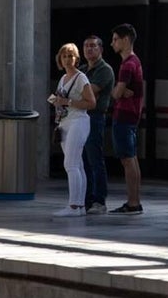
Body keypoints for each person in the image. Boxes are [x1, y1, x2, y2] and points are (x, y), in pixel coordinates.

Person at [49, 42, 97, 217]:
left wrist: (67, 102)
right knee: (77, 164)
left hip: (78, 121)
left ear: (76, 59)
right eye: (64, 56)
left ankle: (74, 206)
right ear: (60, 59)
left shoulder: (81, 78)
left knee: (70, 164)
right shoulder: (63, 79)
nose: (68, 59)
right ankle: (80, 206)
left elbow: (91, 103)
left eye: (71, 56)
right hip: (65, 122)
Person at [108, 23, 145, 215]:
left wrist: (118, 91)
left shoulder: (127, 65)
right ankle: (134, 201)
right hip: (132, 116)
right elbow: (123, 91)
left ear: (125, 40)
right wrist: (123, 91)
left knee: (127, 160)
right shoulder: (136, 62)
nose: (112, 43)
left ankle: (132, 203)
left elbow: (115, 94)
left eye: (115, 39)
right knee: (132, 159)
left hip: (123, 116)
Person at [80, 35, 114, 215]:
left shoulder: (105, 70)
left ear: (101, 49)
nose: (89, 49)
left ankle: (99, 200)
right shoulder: (83, 69)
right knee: (83, 161)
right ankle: (86, 200)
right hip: (81, 117)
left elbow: (88, 92)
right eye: (86, 46)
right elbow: (73, 90)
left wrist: (77, 94)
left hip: (95, 118)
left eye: (93, 46)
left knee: (95, 159)